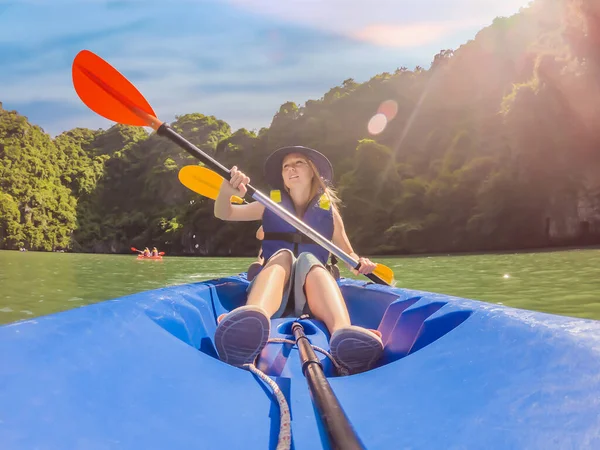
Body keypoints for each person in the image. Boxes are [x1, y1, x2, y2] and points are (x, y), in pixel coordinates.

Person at [213, 146, 384, 375]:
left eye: (299, 163)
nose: (291, 168)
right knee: (283, 255)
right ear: (283, 178)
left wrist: (361, 263)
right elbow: (225, 213)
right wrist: (225, 192)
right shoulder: (269, 204)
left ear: (313, 171)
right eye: (286, 166)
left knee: (310, 260)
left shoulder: (329, 212)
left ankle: (343, 333)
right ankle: (252, 318)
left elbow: (349, 255)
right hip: (275, 289)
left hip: (311, 294)